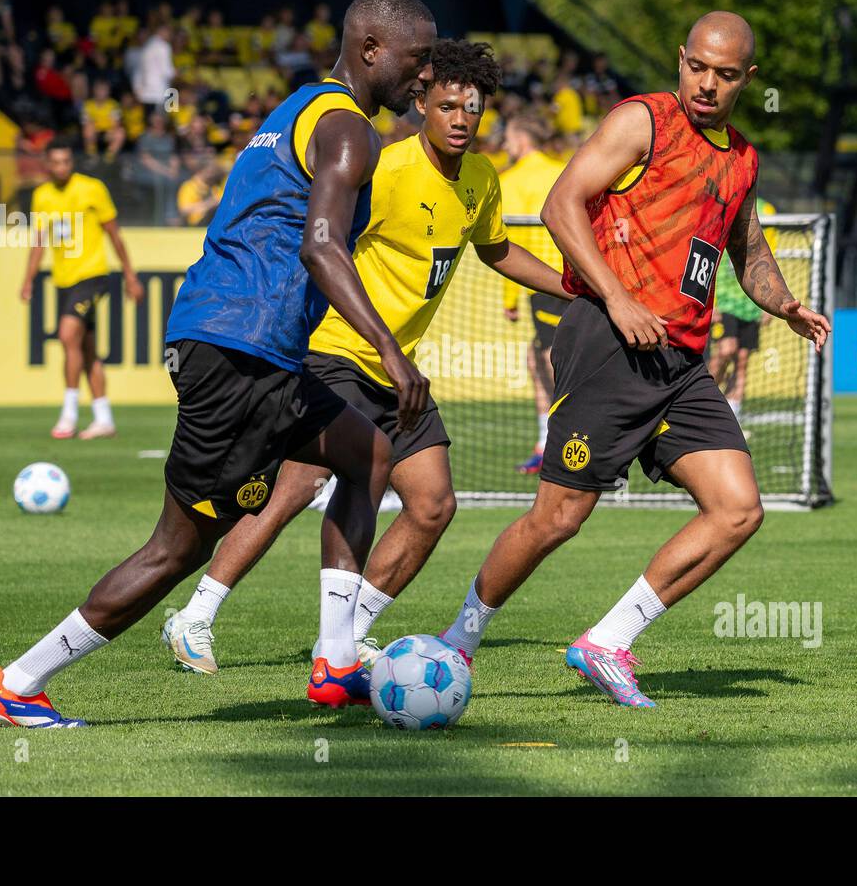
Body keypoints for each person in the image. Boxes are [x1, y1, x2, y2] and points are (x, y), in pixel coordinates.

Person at [0, 0, 437, 726]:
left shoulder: (300, 107)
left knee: (367, 455)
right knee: (176, 550)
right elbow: (321, 247)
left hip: (242, 343)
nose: (423, 77)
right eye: (417, 60)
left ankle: (337, 662)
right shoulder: (349, 128)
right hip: (240, 351)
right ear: (371, 49)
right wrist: (392, 351)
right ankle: (19, 682)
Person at [436, 11, 830, 708]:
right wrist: (616, 298)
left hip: (679, 362)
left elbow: (751, 251)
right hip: (608, 343)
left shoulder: (741, 158)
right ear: (681, 59)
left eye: (726, 74)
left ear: (748, 79)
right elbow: (563, 204)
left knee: (738, 509)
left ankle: (607, 641)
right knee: (557, 519)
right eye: (698, 67)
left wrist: (785, 305)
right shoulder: (642, 121)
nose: (707, 83)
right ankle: (455, 644)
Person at [161, 39, 570, 675]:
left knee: (433, 505)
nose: (462, 118)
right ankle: (197, 616)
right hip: (336, 351)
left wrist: (573, 285)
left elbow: (497, 252)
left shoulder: (483, 181)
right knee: (296, 485)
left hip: (397, 370)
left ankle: (346, 637)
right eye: (449, 105)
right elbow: (325, 244)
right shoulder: (383, 165)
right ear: (421, 105)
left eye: (474, 108)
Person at [19, 139, 144, 441]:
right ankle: (104, 418)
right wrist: (28, 279)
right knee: (86, 350)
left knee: (66, 334)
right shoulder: (42, 195)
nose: (61, 167)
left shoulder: (92, 189)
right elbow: (39, 242)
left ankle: (69, 414)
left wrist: (130, 275)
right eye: (56, 162)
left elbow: (114, 235)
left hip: (92, 275)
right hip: (64, 280)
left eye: (66, 161)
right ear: (47, 164)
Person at [498, 115, 566, 474]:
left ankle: (570, 438)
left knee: (556, 360)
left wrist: (509, 298)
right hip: (576, 274)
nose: (505, 146)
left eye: (508, 139)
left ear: (522, 140)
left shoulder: (512, 180)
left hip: (545, 281)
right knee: (536, 357)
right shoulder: (565, 168)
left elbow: (510, 245)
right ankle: (547, 441)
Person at [709, 196, 776, 420]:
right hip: (726, 300)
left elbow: (769, 257)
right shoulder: (723, 202)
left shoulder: (767, 209)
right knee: (725, 350)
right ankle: (705, 398)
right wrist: (712, 302)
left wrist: (769, 304)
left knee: (742, 360)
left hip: (751, 301)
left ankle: (732, 417)